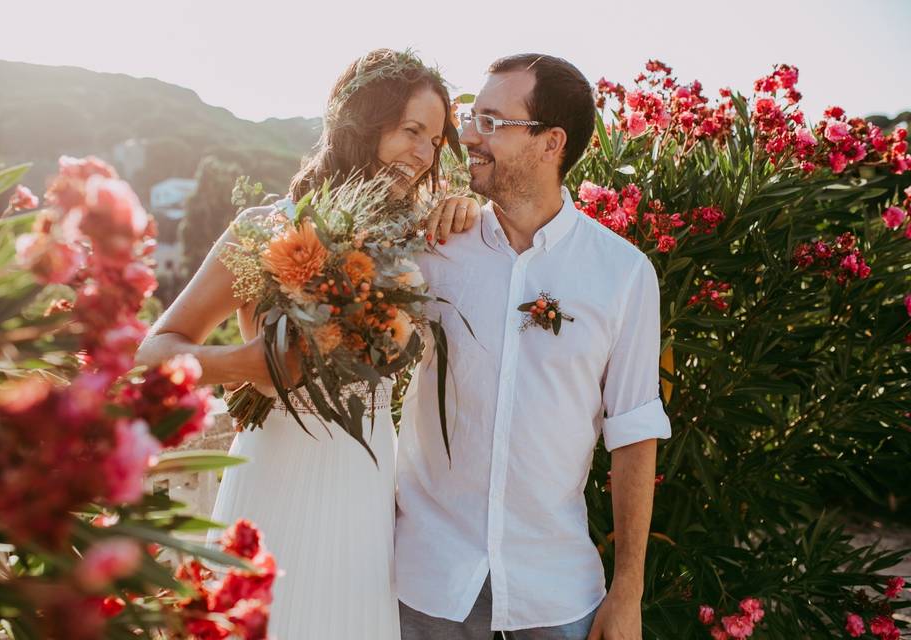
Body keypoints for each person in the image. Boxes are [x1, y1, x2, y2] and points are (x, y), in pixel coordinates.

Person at [135, 49, 480, 640]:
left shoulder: (416, 244)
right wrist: (246, 363)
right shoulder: (263, 229)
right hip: (273, 474)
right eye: (410, 131)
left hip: (363, 485)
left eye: (436, 140)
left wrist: (467, 204)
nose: (424, 154)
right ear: (362, 123)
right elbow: (153, 352)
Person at [396, 54, 672, 640]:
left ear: (551, 143)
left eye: (492, 121)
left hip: (556, 592)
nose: (468, 133)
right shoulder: (433, 243)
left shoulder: (623, 273)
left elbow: (634, 433)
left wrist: (628, 590)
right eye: (473, 115)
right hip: (425, 583)